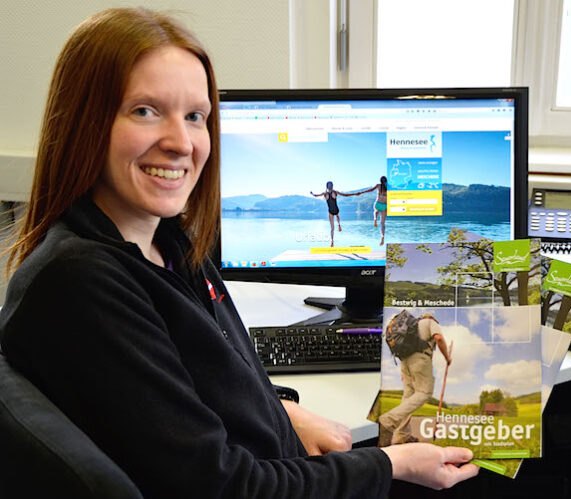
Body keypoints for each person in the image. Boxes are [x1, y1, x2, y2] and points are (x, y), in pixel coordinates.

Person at [0, 8, 477, 498]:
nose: (181, 142)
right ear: (85, 122)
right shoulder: (83, 284)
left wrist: (287, 411)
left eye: (195, 116)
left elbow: (194, 388)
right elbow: (226, 487)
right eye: (145, 110)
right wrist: (390, 463)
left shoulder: (167, 242)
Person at [379, 313, 453, 446]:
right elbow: (439, 338)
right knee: (424, 393)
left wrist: (406, 372)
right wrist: (447, 358)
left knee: (408, 397)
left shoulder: (412, 326)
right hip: (420, 359)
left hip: (405, 361)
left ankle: (402, 435)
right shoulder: (430, 323)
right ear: (432, 318)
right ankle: (388, 420)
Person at [310, 181, 358, 247]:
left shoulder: (325, 194)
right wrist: (355, 194)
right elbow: (346, 195)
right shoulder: (335, 192)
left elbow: (316, 195)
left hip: (330, 211)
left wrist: (312, 194)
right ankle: (339, 224)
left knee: (332, 228)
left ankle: (332, 241)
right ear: (332, 186)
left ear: (327, 186)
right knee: (337, 215)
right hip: (336, 209)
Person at [357, 176, 388, 246]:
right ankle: (382, 236)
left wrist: (362, 192)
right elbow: (399, 188)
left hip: (378, 203)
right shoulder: (389, 187)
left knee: (376, 210)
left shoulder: (378, 186)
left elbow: (370, 190)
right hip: (385, 205)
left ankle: (375, 218)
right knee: (382, 223)